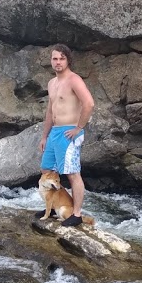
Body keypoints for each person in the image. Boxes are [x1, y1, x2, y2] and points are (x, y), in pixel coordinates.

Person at [39, 44, 95, 226]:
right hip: (54, 132)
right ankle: (53, 204)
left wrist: (79, 128)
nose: (58, 62)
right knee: (47, 170)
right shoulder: (51, 83)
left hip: (69, 132)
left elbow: (89, 103)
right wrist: (44, 136)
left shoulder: (74, 80)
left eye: (62, 58)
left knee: (72, 174)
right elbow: (50, 112)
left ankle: (77, 215)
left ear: (68, 60)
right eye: (55, 58)